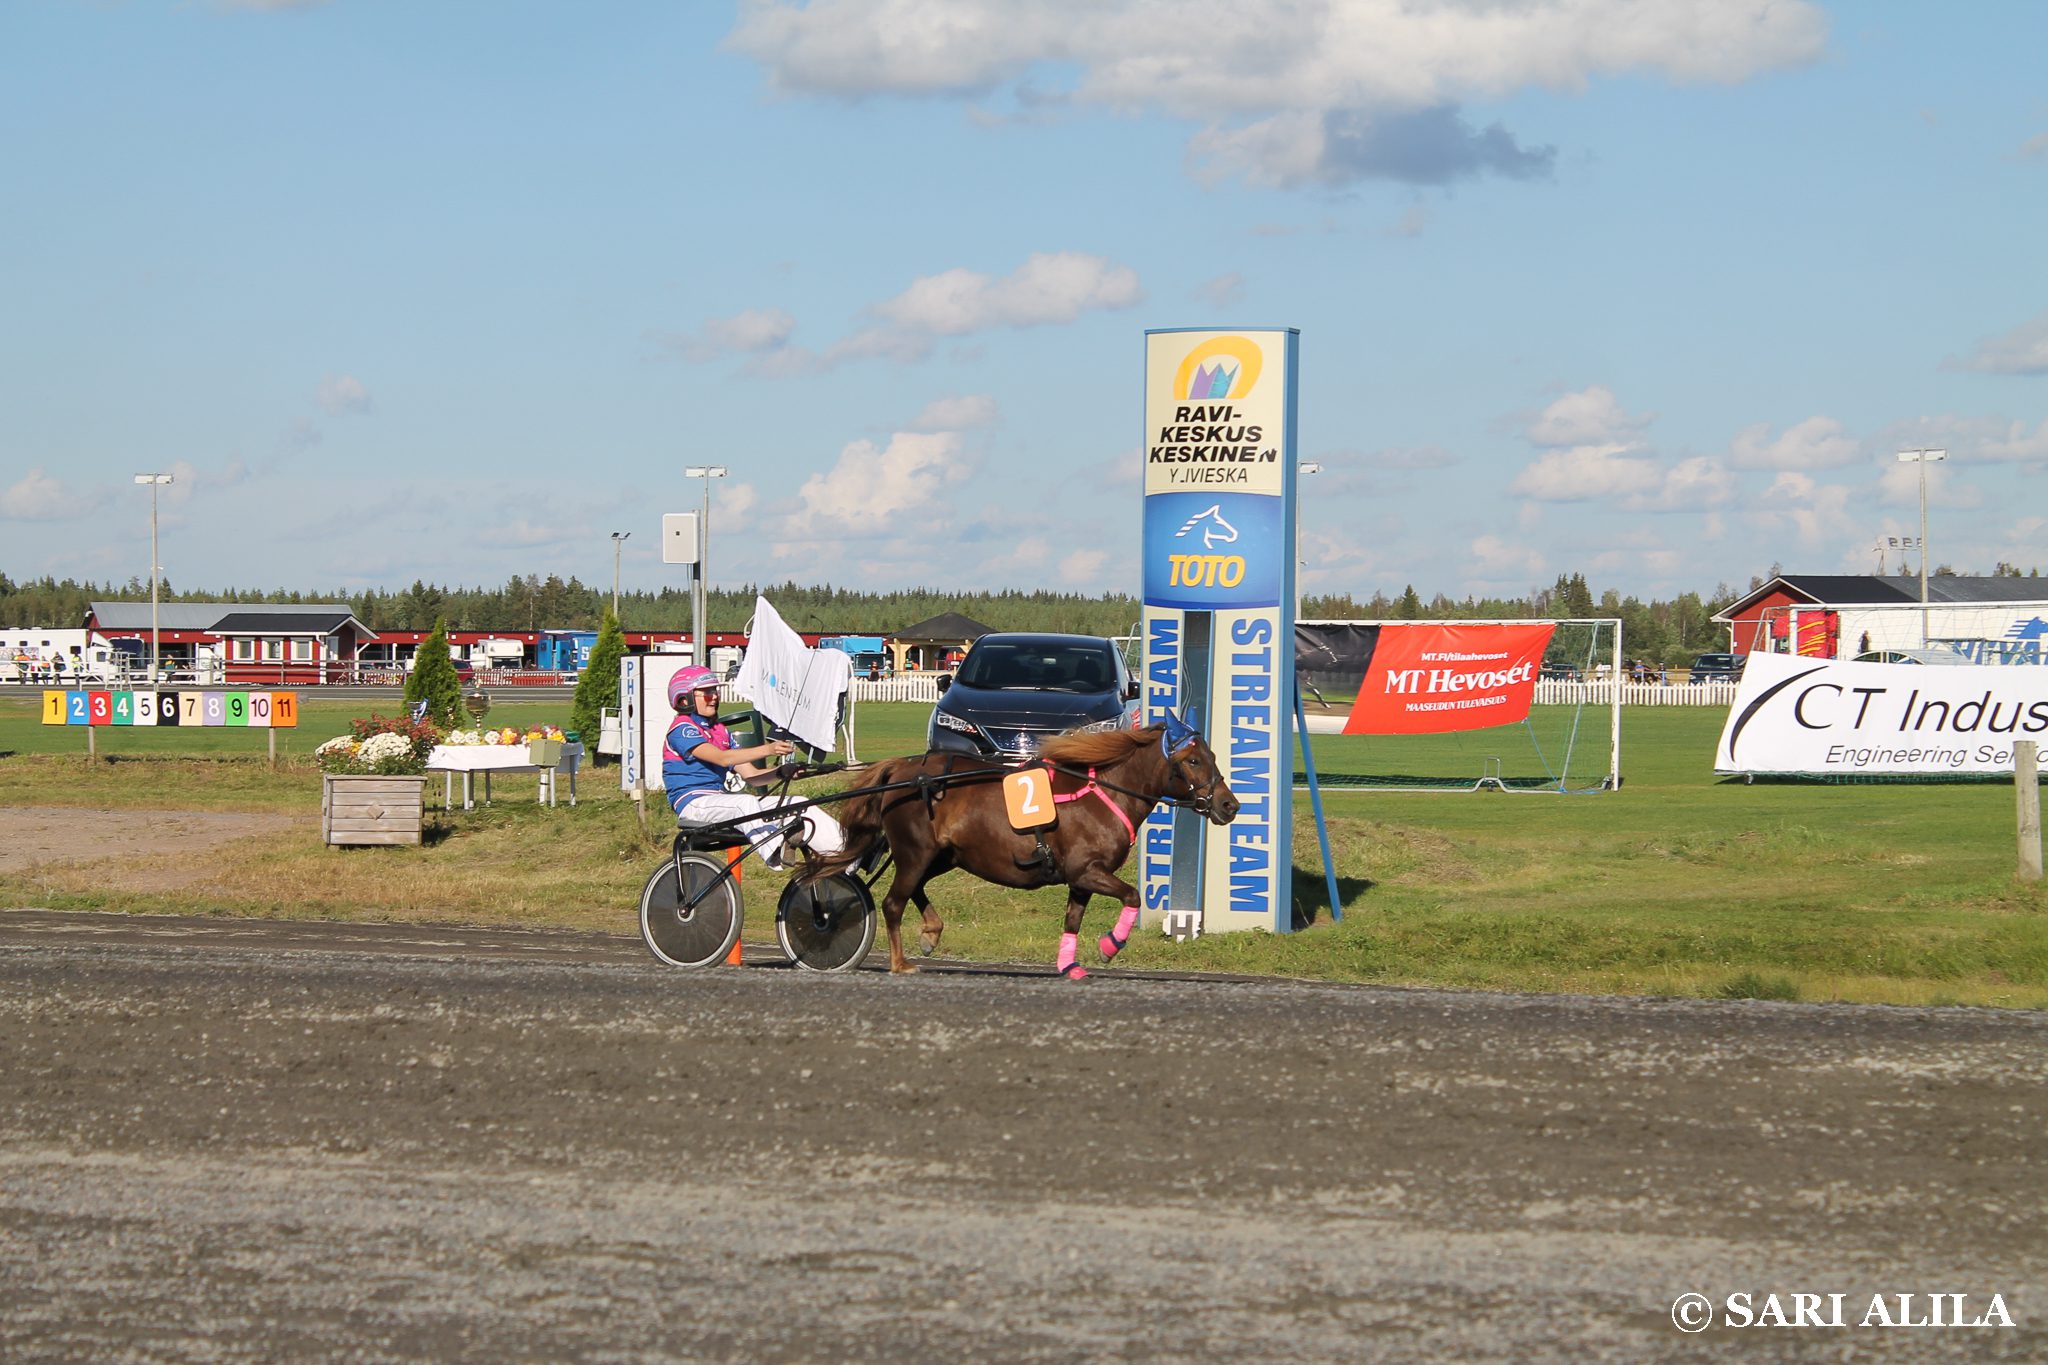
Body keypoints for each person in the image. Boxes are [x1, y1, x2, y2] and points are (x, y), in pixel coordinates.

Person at [661, 665, 845, 871]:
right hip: (693, 804)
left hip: (719, 801)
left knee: (799, 804)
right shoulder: (682, 728)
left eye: (715, 690)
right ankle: (777, 853)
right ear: (684, 699)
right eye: (706, 692)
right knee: (745, 802)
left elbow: (752, 776)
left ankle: (848, 854)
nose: (714, 696)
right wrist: (769, 749)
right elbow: (722, 759)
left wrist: (782, 773)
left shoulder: (720, 731)